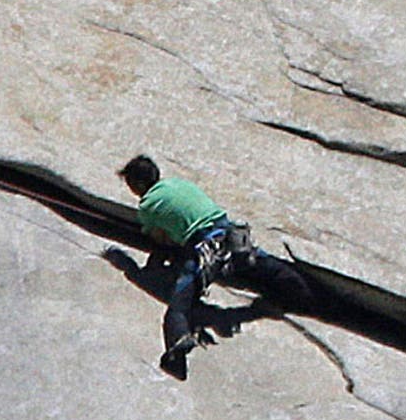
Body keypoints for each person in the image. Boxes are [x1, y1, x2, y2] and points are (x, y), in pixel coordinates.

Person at [118, 155, 314, 380]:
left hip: (203, 248)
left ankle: (177, 351)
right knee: (265, 265)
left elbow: (160, 238)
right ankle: (305, 296)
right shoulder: (179, 183)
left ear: (139, 184)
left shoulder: (147, 206)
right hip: (230, 236)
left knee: (179, 307)